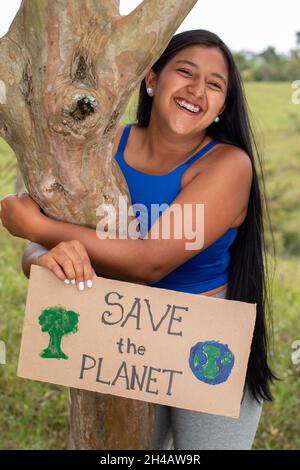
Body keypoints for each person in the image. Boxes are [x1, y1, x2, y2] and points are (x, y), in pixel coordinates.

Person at [0, 29, 277, 450]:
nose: (197, 89)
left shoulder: (228, 165)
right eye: (184, 72)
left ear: (223, 105)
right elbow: (48, 253)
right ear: (151, 79)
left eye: (215, 84)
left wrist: (38, 228)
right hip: (120, 333)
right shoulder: (103, 148)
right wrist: (40, 257)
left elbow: (150, 262)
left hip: (207, 340)